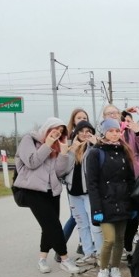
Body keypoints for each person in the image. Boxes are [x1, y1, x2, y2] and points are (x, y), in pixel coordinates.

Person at [13, 117, 81, 274]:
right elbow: (32, 162)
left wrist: (64, 154)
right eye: (54, 129)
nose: (57, 133)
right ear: (47, 128)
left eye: (61, 131)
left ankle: (42, 259)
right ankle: (64, 259)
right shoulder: (29, 140)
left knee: (48, 226)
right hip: (32, 190)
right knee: (54, 226)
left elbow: (59, 172)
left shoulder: (59, 145)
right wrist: (47, 145)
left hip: (52, 191)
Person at [86, 118, 136, 277]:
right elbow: (91, 184)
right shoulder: (95, 153)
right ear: (104, 133)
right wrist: (96, 209)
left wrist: (133, 205)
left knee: (120, 239)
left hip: (123, 202)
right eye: (111, 131)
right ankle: (103, 270)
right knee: (109, 240)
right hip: (105, 203)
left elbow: (130, 180)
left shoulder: (124, 151)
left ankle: (115, 269)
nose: (114, 134)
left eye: (117, 131)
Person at [54, 107, 90, 262]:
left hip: (87, 187)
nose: (82, 120)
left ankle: (84, 246)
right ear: (73, 122)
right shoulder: (67, 141)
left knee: (86, 218)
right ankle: (60, 248)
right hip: (73, 188)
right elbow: (62, 166)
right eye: (79, 118)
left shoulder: (91, 140)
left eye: (85, 118)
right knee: (76, 218)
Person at [64, 119, 102, 265]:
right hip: (74, 192)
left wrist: (96, 144)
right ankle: (88, 252)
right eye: (81, 131)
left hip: (89, 193)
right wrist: (72, 151)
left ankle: (99, 253)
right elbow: (64, 169)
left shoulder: (94, 147)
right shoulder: (70, 147)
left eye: (88, 131)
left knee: (95, 224)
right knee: (82, 224)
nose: (85, 134)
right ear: (76, 133)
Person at [119, 108, 139, 261]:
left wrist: (138, 133)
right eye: (125, 120)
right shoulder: (116, 134)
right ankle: (128, 248)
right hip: (124, 180)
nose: (128, 123)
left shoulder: (134, 133)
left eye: (130, 121)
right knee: (131, 219)